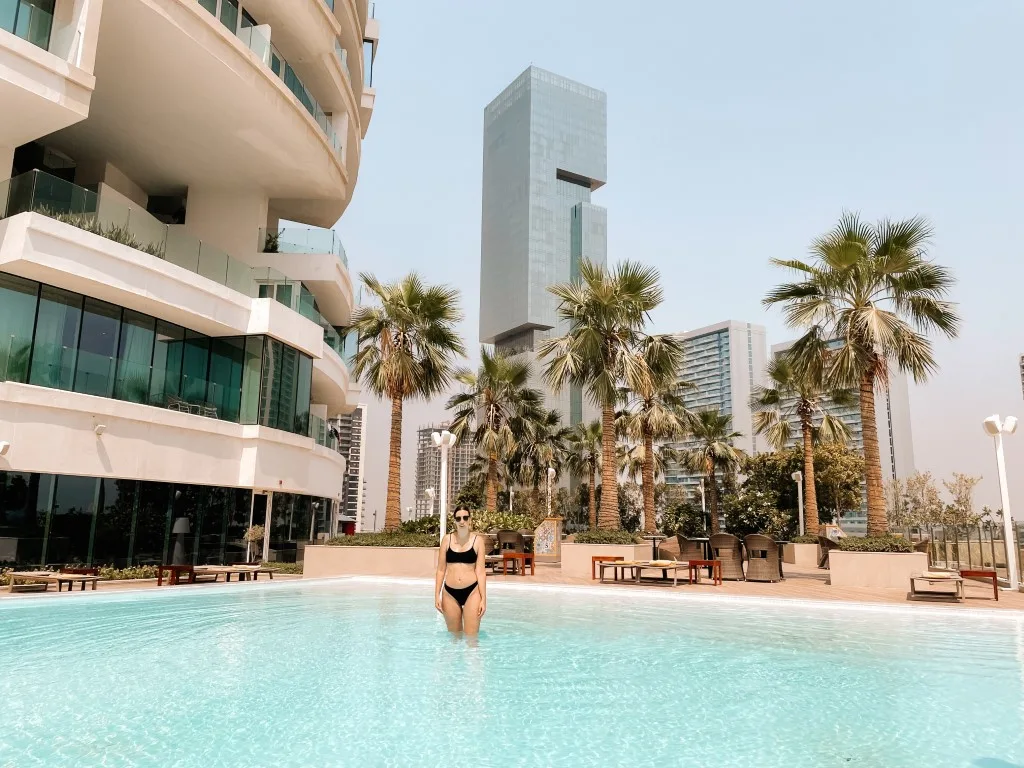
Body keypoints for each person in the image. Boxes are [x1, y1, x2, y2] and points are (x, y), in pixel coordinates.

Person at [434, 506, 486, 635]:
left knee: (472, 640)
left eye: (465, 518)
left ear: (470, 520)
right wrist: (436, 595)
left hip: (472, 592)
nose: (462, 521)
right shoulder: (447, 540)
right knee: (454, 639)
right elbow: (441, 570)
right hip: (449, 593)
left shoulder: (478, 541)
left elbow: (480, 572)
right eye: (458, 518)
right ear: (455, 521)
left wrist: (484, 599)